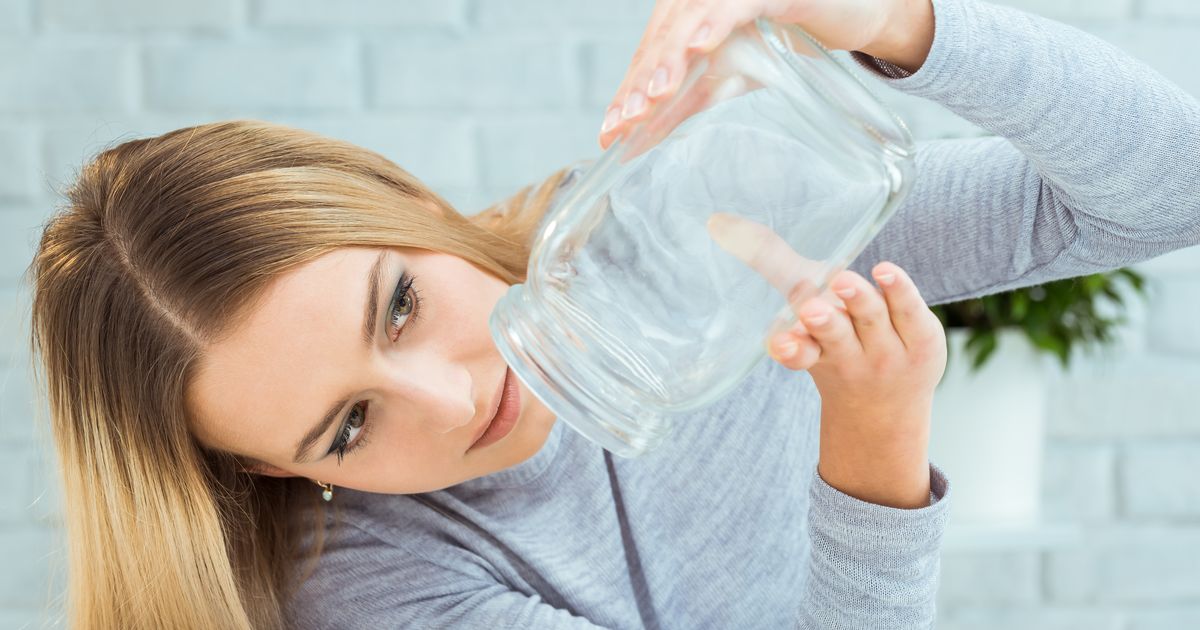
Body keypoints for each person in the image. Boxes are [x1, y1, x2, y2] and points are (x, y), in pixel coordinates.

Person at [26, 0, 1199, 628]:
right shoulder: (372, 591)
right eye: (346, 428)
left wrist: (902, 25)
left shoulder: (691, 231)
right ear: (280, 477)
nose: (457, 391)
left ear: (419, 206)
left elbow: (1170, 186)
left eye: (399, 305)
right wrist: (874, 463)